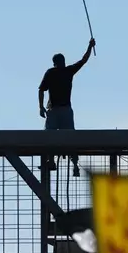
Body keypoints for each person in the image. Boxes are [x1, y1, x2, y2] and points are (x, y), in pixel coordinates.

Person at [38, 38, 96, 176]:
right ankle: (73, 163)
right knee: (69, 137)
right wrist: (90, 46)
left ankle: (53, 161)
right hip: (63, 110)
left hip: (55, 110)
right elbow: (83, 60)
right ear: (61, 62)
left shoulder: (52, 72)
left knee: (50, 136)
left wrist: (40, 107)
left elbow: (41, 90)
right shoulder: (67, 71)